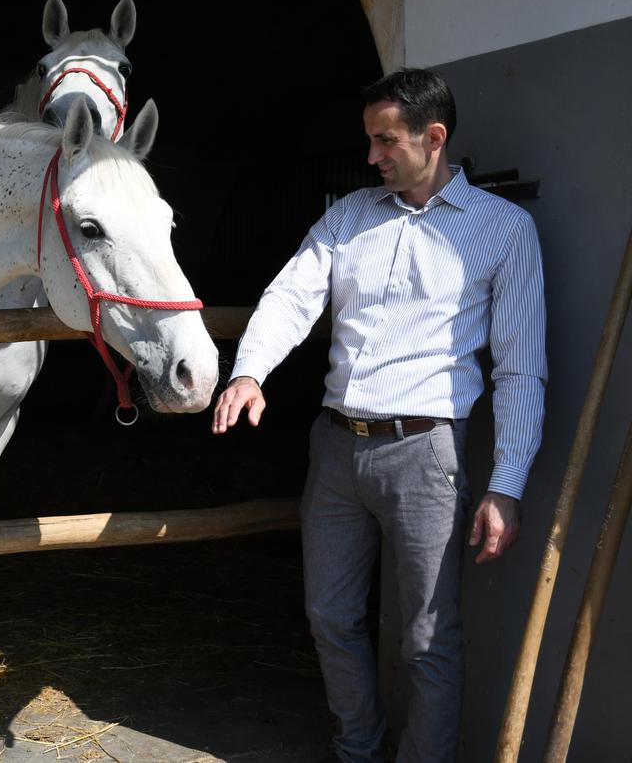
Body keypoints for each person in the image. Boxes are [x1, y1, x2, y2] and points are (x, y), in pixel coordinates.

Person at [212, 68, 546, 762]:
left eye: (385, 141)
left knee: (428, 639)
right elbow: (291, 295)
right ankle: (358, 747)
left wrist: (507, 483)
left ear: (434, 137)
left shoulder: (504, 231)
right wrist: (250, 370)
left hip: (426, 455)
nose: (372, 157)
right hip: (336, 447)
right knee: (330, 615)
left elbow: (520, 367)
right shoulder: (350, 215)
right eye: (368, 141)